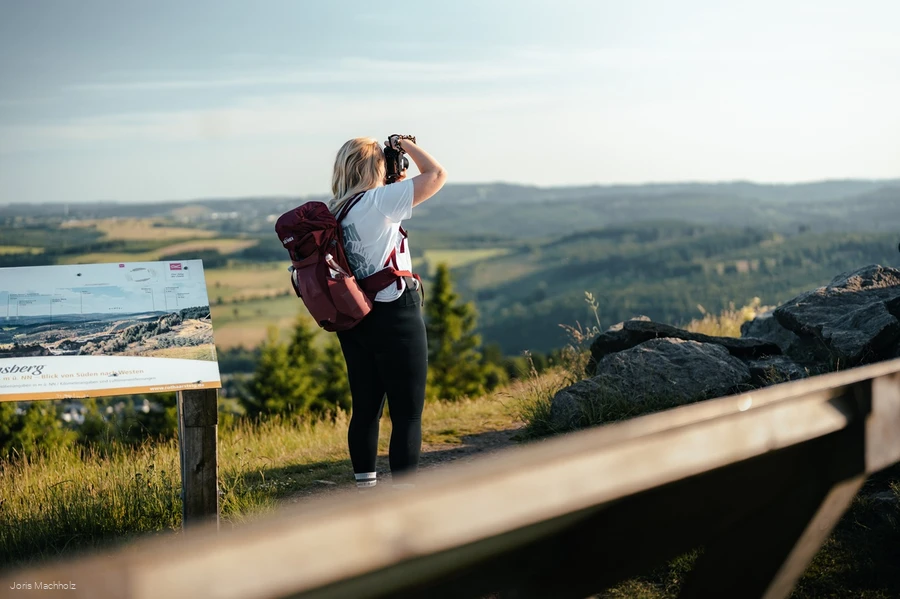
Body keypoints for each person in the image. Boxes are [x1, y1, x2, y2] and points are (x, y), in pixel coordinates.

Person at [327, 136, 448, 491]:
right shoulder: (380, 202)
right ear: (374, 166)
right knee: (407, 413)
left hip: (354, 318)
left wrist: (391, 175)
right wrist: (405, 143)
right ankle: (404, 497)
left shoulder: (336, 209)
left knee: (366, 409)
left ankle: (366, 488)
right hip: (396, 312)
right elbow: (437, 174)